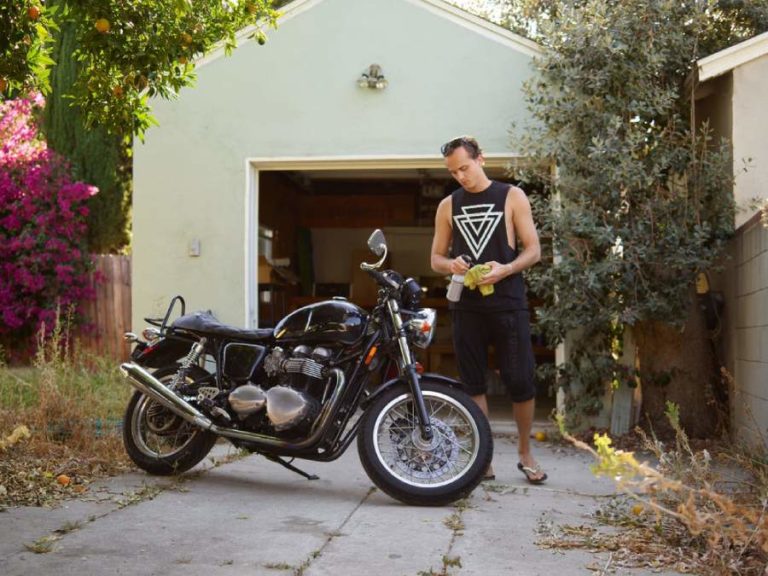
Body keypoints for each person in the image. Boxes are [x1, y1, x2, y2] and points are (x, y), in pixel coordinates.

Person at [430, 136, 546, 484]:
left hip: (508, 303)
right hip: (466, 306)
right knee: (472, 382)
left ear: (481, 159)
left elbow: (534, 250)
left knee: (521, 380)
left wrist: (506, 269)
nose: (460, 176)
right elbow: (435, 258)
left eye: (464, 167)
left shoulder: (511, 196)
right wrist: (451, 265)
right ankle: (485, 457)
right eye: (454, 172)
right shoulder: (448, 205)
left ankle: (525, 453)